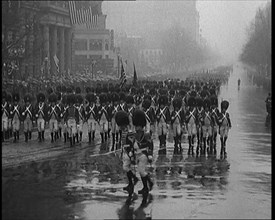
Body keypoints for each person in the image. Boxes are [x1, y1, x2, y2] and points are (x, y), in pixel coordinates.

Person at [115, 110, 139, 196]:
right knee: (127, 168)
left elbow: (131, 143)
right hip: (126, 151)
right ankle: (131, 184)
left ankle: (134, 179)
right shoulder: (125, 130)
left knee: (126, 167)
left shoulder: (129, 131)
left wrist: (130, 153)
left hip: (129, 152)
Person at [132, 109, 154, 195]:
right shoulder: (134, 134)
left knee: (141, 171)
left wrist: (150, 155)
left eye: (138, 126)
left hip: (144, 154)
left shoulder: (146, 135)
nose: (136, 128)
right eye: (136, 126)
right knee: (141, 171)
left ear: (141, 126)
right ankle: (148, 184)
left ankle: (146, 186)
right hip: (137, 154)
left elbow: (150, 144)